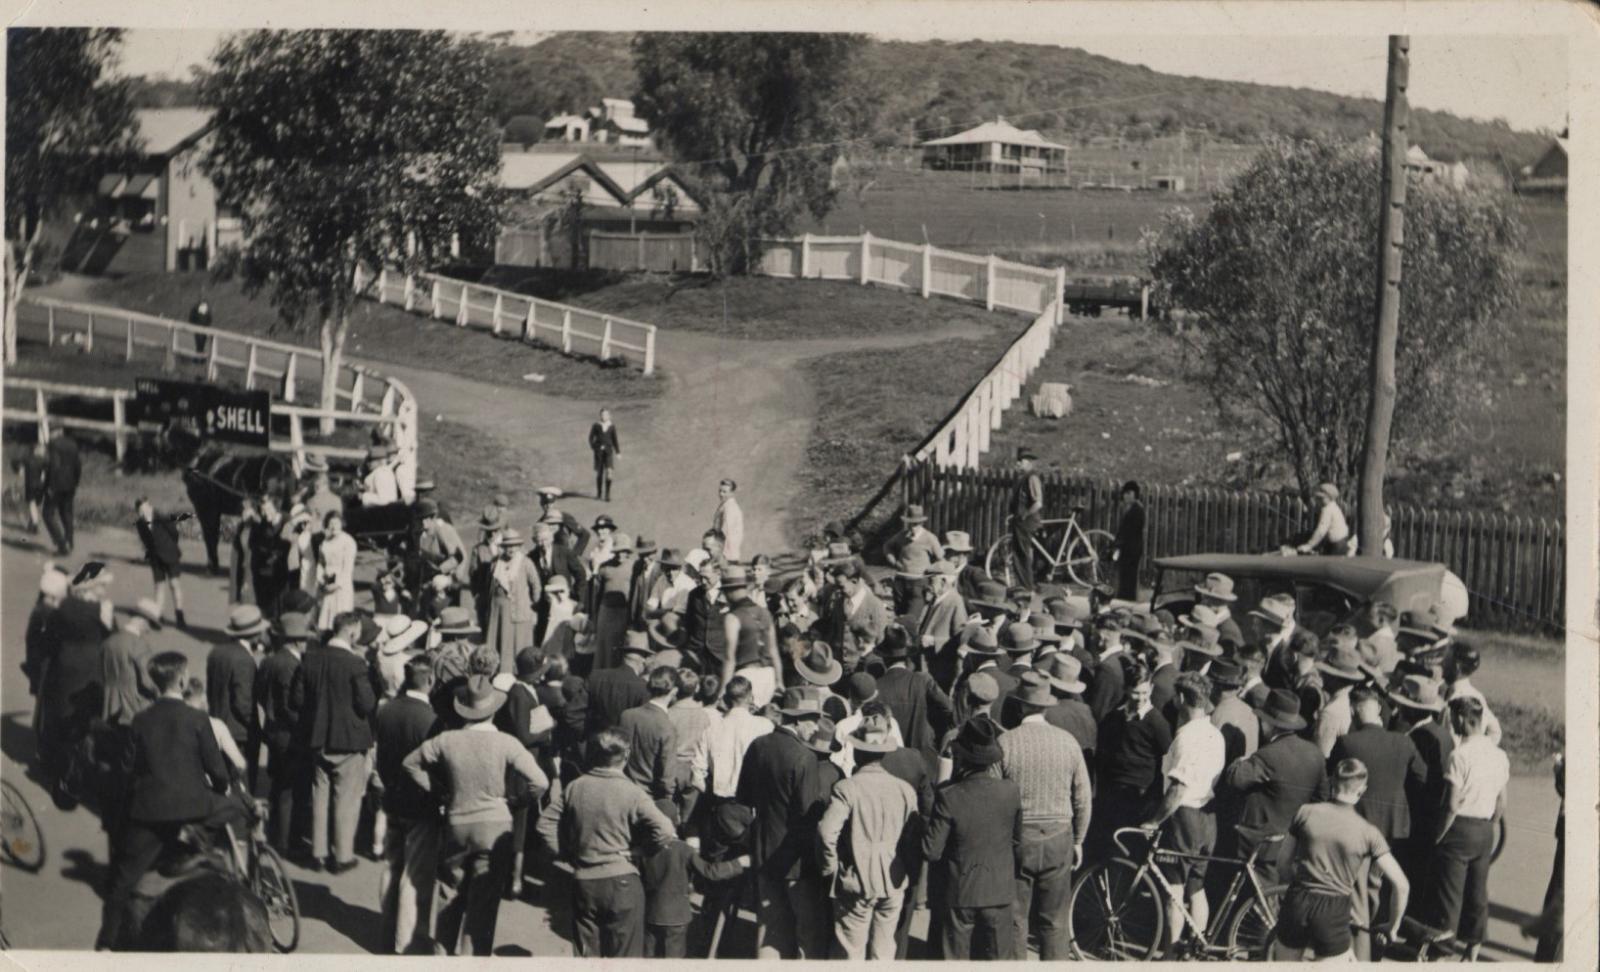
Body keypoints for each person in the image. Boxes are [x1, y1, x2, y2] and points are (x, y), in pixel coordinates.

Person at [97, 651, 245, 950]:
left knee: (120, 885)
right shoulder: (198, 718)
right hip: (197, 809)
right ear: (181, 679)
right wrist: (221, 788)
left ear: (155, 683)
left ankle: (106, 945)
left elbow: (126, 773)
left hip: (151, 815)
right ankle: (243, 873)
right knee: (241, 809)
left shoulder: (140, 721)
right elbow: (217, 771)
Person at [404, 675, 546, 956]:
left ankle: (443, 957)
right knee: (483, 906)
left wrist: (441, 792)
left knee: (449, 896)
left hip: (456, 822)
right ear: (493, 710)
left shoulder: (447, 739)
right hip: (494, 827)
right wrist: (516, 801)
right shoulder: (507, 743)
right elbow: (540, 781)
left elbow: (410, 764)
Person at [537, 728, 676, 957]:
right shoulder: (633, 792)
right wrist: (640, 851)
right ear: (627, 755)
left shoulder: (576, 786)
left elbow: (545, 825)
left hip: (584, 881)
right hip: (622, 882)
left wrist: (566, 854)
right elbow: (665, 829)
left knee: (586, 956)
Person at [1272, 758, 1410, 962]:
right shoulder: (1369, 833)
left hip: (1298, 899)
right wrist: (1393, 926)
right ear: (1362, 790)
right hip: (1333, 910)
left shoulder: (1306, 812)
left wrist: (1296, 888)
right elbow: (1401, 885)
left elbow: (1282, 862)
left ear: (1331, 782)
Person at [1000, 670, 1094, 959]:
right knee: (1054, 922)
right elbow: (1083, 797)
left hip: (1018, 838)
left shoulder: (1006, 743)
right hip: (1058, 836)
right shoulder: (1068, 742)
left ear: (1020, 704)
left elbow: (996, 796)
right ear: (1046, 705)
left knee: (1016, 919)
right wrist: (1078, 839)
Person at [736, 687, 830, 959]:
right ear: (798, 720)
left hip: (763, 849)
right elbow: (808, 813)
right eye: (812, 719)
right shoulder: (805, 756)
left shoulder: (758, 746)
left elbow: (745, 797)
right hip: (796, 860)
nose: (815, 727)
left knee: (769, 928)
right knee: (807, 932)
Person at [817, 721, 921, 960]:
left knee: (850, 951)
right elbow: (913, 838)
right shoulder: (904, 789)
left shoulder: (846, 788)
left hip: (856, 878)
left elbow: (826, 832)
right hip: (893, 879)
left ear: (856, 751)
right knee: (884, 951)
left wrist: (830, 868)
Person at [922, 715, 1021, 960]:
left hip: (960, 893)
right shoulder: (1010, 791)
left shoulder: (949, 796)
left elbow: (931, 850)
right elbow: (1017, 841)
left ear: (961, 758)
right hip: (999, 891)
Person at [1143, 672, 1225, 950]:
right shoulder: (1216, 734)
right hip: (1207, 816)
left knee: (1173, 890)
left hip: (1184, 818)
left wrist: (1154, 821)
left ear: (1181, 699)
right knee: (1197, 887)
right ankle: (1196, 948)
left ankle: (1170, 952)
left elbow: (1177, 789)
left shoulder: (1187, 737)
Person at [1422, 696, 1508, 960]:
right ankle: (1472, 951)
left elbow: (1450, 804)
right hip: (1484, 830)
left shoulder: (1459, 755)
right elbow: (1502, 802)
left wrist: (1438, 837)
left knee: (1450, 895)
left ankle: (1441, 953)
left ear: (1460, 718)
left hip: (1458, 828)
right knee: (1477, 893)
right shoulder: (1499, 755)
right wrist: (1487, 828)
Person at [290, 611, 376, 872]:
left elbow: (297, 700)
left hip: (317, 739)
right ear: (350, 632)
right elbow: (367, 703)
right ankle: (342, 855)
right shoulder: (355, 665)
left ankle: (318, 852)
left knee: (320, 796)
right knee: (346, 800)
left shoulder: (310, 659)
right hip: (348, 741)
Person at [1221, 687, 1328, 881]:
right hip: (1293, 842)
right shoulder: (1315, 754)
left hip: (1259, 843)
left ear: (1269, 723)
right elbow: (1321, 798)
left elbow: (1234, 779)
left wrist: (1240, 760)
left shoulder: (1268, 755)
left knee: (1259, 899)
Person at [372, 656, 441, 953]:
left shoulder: (386, 711)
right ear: (429, 680)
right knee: (414, 877)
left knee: (392, 866)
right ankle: (407, 943)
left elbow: (380, 755)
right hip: (420, 805)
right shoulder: (431, 718)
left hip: (392, 798)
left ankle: (387, 934)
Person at [635, 799, 751, 958]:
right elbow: (710, 872)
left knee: (649, 957)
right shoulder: (684, 850)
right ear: (675, 821)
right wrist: (738, 863)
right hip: (677, 918)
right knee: (673, 959)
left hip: (650, 914)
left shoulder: (644, 850)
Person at [1092, 660, 1171, 859]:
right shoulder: (1114, 717)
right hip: (1113, 791)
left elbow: (1167, 757)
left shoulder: (1156, 722)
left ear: (1151, 688)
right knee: (1109, 844)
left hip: (1139, 796)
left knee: (1129, 848)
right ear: (1126, 690)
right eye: (1136, 692)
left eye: (1145, 692)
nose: (1140, 698)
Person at [685, 676, 772, 840]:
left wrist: (714, 795)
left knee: (718, 858)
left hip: (721, 806)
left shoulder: (711, 729)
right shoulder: (764, 726)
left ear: (726, 698)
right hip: (754, 808)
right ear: (750, 698)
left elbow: (696, 778)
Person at [256, 609, 311, 855]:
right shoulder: (292, 665)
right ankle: (286, 841)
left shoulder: (268, 661)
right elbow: (292, 704)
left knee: (277, 783)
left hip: (272, 730)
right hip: (290, 735)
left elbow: (259, 693)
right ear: (298, 641)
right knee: (292, 788)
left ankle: (274, 832)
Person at [208, 605, 267, 793]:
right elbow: (243, 703)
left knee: (223, 783)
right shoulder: (244, 660)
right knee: (241, 784)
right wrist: (255, 728)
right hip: (239, 732)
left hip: (217, 722)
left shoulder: (217, 652)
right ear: (255, 634)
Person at [721, 565, 781, 708]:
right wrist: (779, 680)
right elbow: (774, 652)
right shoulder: (765, 613)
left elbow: (730, 658)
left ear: (729, 591)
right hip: (769, 676)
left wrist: (723, 691)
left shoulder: (733, 617)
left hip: (746, 676)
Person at [484, 528, 541, 675]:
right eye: (508, 546)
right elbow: (489, 585)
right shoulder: (496, 562)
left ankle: (517, 674)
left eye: (514, 545)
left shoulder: (525, 562)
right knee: (500, 643)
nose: (511, 549)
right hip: (498, 612)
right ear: (503, 547)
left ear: (519, 546)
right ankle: (499, 673)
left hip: (518, 611)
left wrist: (532, 604)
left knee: (517, 644)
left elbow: (536, 585)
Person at [618, 666, 679, 801]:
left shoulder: (626, 715)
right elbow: (667, 777)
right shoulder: (667, 727)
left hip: (622, 790)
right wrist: (668, 801)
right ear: (674, 691)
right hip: (647, 798)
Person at [585, 629, 653, 737]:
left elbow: (577, 712)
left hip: (596, 742)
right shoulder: (644, 688)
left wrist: (587, 736)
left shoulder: (595, 676)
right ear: (642, 660)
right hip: (622, 747)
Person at [133, 499, 188, 628]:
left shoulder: (161, 516)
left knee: (175, 584)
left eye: (144, 508)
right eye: (139, 510)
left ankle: (179, 615)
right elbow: (145, 541)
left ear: (149, 505)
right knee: (159, 586)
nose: (142, 512)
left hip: (170, 554)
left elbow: (174, 533)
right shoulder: (140, 523)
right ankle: (158, 615)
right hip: (155, 558)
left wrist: (170, 547)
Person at [885, 504, 943, 618]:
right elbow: (887, 546)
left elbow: (940, 558)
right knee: (899, 617)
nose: (912, 527)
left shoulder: (930, 538)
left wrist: (931, 575)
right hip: (900, 581)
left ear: (921, 523)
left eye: (916, 524)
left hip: (918, 583)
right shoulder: (901, 536)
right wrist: (894, 562)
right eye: (910, 524)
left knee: (912, 619)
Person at [1442, 640, 1502, 746]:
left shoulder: (1463, 698)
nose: (1442, 665)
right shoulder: (1473, 694)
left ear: (1457, 666)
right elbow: (1495, 731)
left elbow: (1495, 731)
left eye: (1446, 661)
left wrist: (1475, 754)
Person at [314, 512, 358, 632]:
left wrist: (337, 584)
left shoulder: (348, 542)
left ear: (342, 523)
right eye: (331, 523)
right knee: (326, 618)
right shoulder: (325, 543)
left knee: (341, 618)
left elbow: (348, 568)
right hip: (327, 585)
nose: (333, 527)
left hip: (342, 585)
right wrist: (321, 580)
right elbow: (321, 563)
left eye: (336, 523)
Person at [1009, 449, 1044, 591]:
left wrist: (1024, 515)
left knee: (1022, 554)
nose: (1017, 464)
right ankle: (1025, 584)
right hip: (1020, 521)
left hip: (1026, 523)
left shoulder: (1032, 478)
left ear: (1028, 463)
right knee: (1020, 553)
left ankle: (1026, 587)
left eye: (1021, 461)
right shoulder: (1023, 478)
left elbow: (1038, 503)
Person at [43, 425, 81, 556]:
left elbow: (54, 465)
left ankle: (61, 544)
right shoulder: (73, 444)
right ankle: (69, 541)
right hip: (70, 484)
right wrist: (76, 482)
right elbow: (77, 465)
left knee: (47, 514)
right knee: (67, 513)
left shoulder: (53, 444)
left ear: (58, 431)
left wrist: (50, 485)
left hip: (56, 484)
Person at [1298, 482, 1354, 556]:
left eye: (1321, 498)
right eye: (1318, 498)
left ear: (1330, 498)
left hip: (1337, 545)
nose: (1319, 501)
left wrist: (1309, 545)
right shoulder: (1334, 507)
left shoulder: (1328, 510)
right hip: (1341, 541)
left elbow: (1321, 531)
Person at [1113, 480, 1146, 601]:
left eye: (1129, 493)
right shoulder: (1131, 509)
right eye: (1124, 493)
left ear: (1135, 494)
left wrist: (1120, 542)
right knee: (1125, 575)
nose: (1126, 496)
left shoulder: (1137, 510)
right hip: (1129, 547)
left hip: (1132, 548)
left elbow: (1130, 531)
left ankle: (1127, 598)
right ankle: (1124, 596)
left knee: (1129, 575)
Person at [14, 440, 48, 534]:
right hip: (40, 485)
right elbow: (44, 475)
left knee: (31, 504)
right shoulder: (44, 461)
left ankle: (35, 523)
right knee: (35, 504)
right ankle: (32, 522)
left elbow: (19, 468)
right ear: (37, 449)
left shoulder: (27, 459)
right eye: (42, 449)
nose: (43, 451)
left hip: (30, 484)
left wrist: (20, 474)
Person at [588, 407, 620, 501]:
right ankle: (599, 493)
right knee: (599, 474)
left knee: (609, 473)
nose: (603, 416)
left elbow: (615, 440)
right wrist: (595, 447)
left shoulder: (612, 426)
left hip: (609, 452)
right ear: (600, 415)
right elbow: (590, 438)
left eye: (605, 414)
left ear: (609, 416)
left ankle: (607, 494)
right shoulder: (596, 425)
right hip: (599, 453)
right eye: (602, 414)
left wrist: (618, 452)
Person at [711, 478, 745, 562]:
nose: (721, 494)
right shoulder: (725, 505)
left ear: (732, 493)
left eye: (724, 492)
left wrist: (720, 554)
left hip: (727, 552)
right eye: (720, 491)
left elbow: (726, 531)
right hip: (723, 550)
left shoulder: (730, 507)